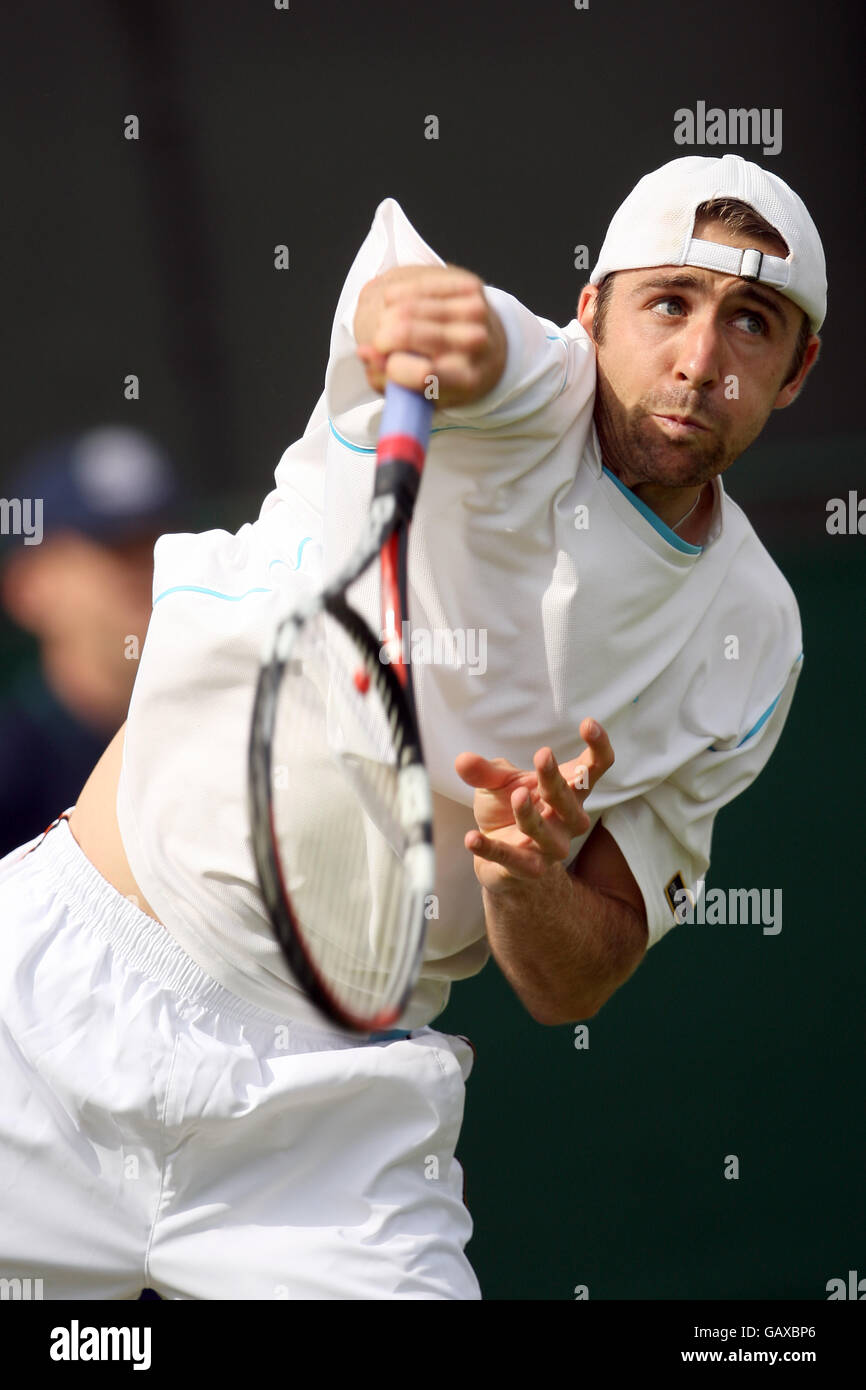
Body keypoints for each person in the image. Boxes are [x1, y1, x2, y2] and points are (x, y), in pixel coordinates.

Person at [0, 154, 823, 1299]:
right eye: (667, 304)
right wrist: (426, 322)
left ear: (794, 370)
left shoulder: (754, 638)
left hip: (336, 1125)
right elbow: (444, 329)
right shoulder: (530, 379)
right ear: (590, 314)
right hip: (53, 1010)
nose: (697, 359)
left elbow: (575, 980)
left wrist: (527, 873)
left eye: (750, 323)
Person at [0, 427, 181, 855]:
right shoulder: (13, 778)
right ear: (29, 588)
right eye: (117, 549)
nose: (152, 566)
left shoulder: (231, 737)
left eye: (161, 541)